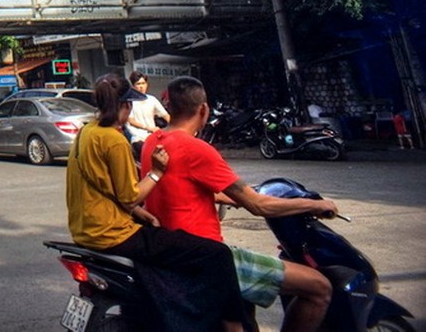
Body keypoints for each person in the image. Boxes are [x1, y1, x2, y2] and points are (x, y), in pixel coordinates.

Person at [140, 77, 336, 332]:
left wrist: (226, 197)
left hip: (173, 247)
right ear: (203, 109)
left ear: (169, 110)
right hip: (207, 255)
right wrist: (314, 206)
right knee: (319, 288)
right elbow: (259, 206)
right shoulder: (197, 149)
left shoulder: (152, 143)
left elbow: (178, 187)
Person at [66, 74, 244, 332]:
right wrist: (157, 172)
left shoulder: (86, 132)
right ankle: (232, 325)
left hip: (85, 230)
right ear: (125, 106)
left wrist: (142, 213)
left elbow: (108, 188)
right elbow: (130, 197)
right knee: (217, 255)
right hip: (112, 234)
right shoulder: (114, 140)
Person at [126, 70, 169, 160]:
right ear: (133, 86)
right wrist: (148, 128)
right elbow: (131, 120)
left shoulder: (152, 99)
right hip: (137, 138)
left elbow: (165, 115)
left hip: (153, 137)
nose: (141, 86)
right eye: (138, 84)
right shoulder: (130, 101)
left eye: (143, 83)